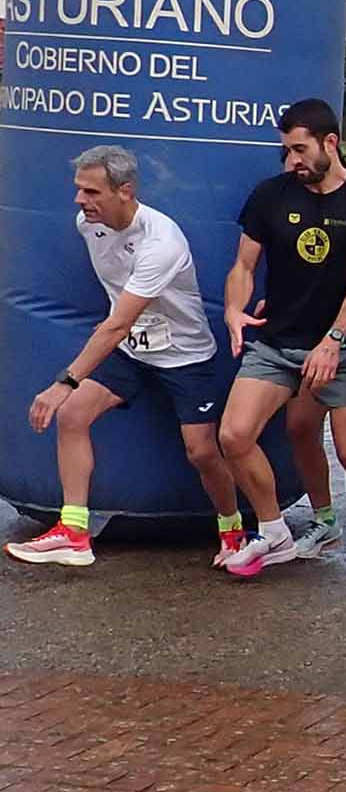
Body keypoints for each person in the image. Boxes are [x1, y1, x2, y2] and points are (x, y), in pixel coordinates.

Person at [9, 145, 236, 568]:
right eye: (79, 189)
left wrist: (64, 382)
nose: (80, 200)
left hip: (184, 356)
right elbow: (118, 312)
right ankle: (74, 532)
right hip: (131, 350)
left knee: (201, 451)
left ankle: (232, 530)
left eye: (92, 192)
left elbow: (117, 323)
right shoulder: (88, 224)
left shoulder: (161, 242)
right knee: (73, 415)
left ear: (125, 191)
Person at [218, 99, 346, 580]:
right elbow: (244, 266)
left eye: (300, 149)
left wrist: (333, 340)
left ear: (329, 143)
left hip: (341, 349)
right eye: (287, 150)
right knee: (234, 435)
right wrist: (234, 308)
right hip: (276, 343)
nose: (292, 160)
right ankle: (273, 529)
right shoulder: (270, 195)